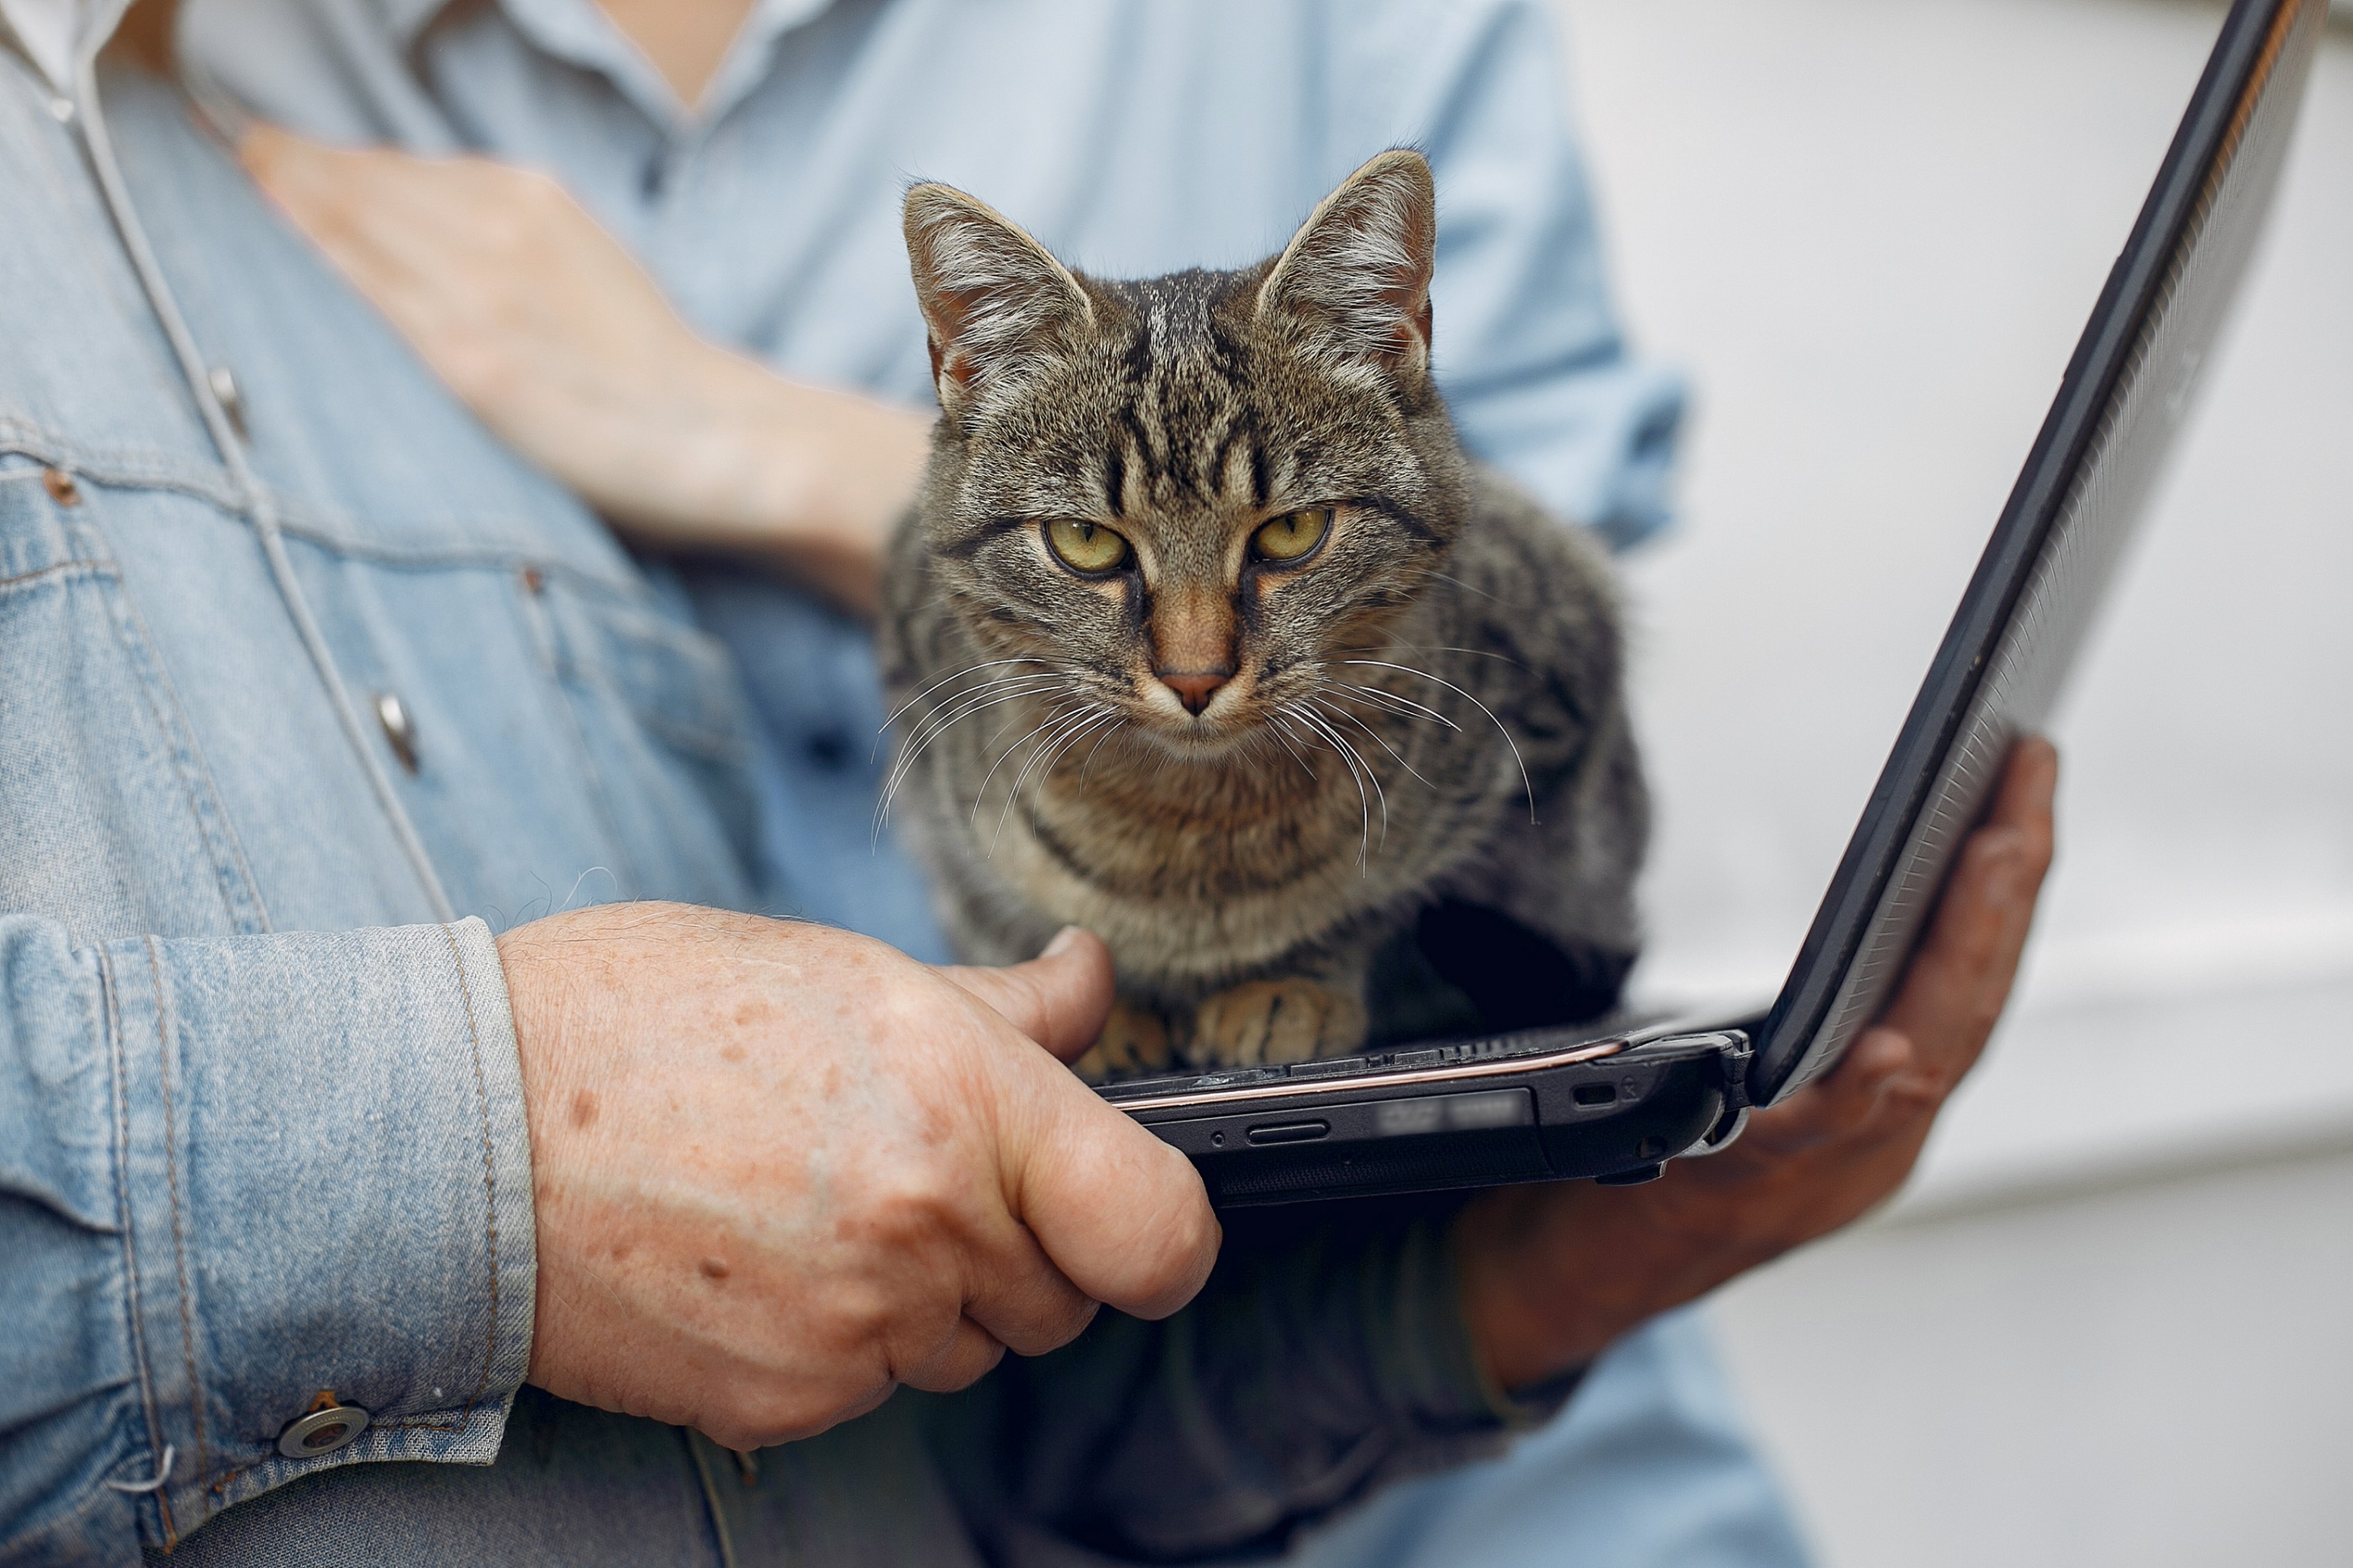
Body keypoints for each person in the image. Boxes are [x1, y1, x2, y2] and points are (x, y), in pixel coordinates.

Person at [0, 4, 2059, 1566]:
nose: (1194, 652)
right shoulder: (262, 125)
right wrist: (491, 1161)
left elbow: (1517, 665)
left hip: (1526, 1469)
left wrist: (787, 461)